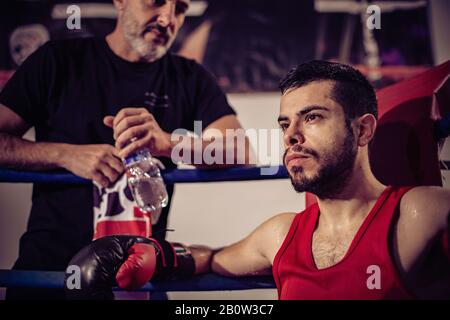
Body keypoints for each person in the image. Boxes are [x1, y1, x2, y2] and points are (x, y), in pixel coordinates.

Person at [71, 61, 450, 300]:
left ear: (363, 130)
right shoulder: (280, 235)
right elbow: (213, 259)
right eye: (285, 124)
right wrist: (161, 254)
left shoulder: (418, 212)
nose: (291, 136)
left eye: (313, 117)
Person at [0, 0, 252, 299]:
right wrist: (64, 155)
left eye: (180, 8)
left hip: (140, 278)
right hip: (51, 274)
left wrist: (167, 143)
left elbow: (239, 150)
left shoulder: (189, 77)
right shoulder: (58, 61)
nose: (167, 18)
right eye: (156, 2)